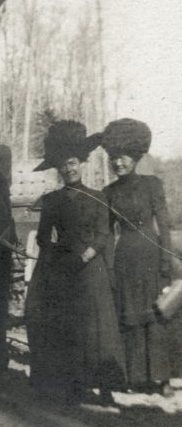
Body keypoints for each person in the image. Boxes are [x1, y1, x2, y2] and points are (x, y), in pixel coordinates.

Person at [25, 120, 126, 406]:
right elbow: (44, 238)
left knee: (97, 329)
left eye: (72, 163)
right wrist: (57, 257)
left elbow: (104, 233)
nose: (69, 169)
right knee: (66, 328)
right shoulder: (52, 200)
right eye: (63, 165)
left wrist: (88, 254)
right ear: (58, 168)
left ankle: (105, 388)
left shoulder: (98, 197)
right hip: (64, 270)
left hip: (91, 271)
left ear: (81, 163)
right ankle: (73, 386)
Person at [102, 118, 176, 397]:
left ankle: (162, 378)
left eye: (122, 157)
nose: (117, 163)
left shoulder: (152, 185)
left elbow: (165, 226)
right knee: (129, 317)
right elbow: (108, 234)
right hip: (124, 260)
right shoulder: (108, 193)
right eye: (112, 158)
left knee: (158, 316)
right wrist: (109, 267)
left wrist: (166, 264)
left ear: (134, 156)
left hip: (151, 255)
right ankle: (135, 377)